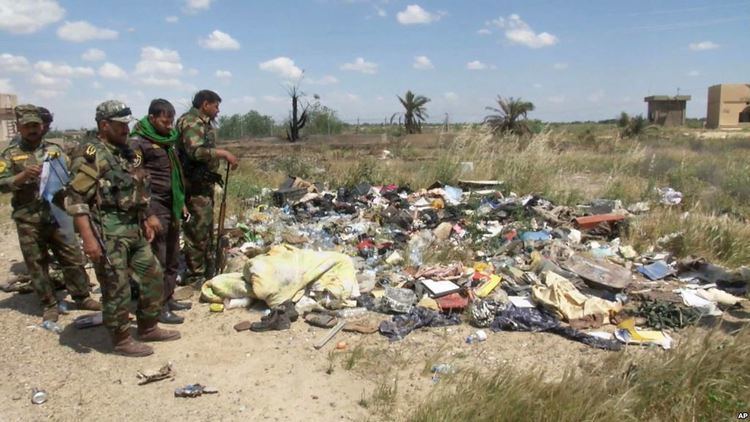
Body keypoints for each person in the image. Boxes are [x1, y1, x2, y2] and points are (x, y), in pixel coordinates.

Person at [65, 100, 180, 357]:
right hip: (107, 232)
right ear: (104, 125)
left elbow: (137, 189)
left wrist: (147, 216)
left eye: (127, 125)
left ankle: (148, 326)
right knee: (116, 286)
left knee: (152, 274)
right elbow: (75, 199)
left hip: (134, 228)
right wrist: (88, 239)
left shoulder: (125, 152)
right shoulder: (92, 154)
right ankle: (120, 339)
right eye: (120, 126)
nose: (126, 130)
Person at [0, 105, 99, 323]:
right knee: (37, 262)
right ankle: (49, 303)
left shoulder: (55, 150)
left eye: (36, 125)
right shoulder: (10, 154)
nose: (32, 130)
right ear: (19, 128)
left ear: (42, 126)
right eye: (27, 127)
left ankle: (82, 296)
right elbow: (2, 184)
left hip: (57, 214)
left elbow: (69, 176)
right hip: (29, 218)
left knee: (71, 257)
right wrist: (23, 176)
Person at [130, 99, 191, 324]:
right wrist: (148, 214)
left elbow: (174, 174)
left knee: (173, 253)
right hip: (154, 205)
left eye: (171, 121)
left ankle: (169, 296)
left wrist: (181, 202)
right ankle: (159, 307)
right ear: (152, 118)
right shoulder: (138, 143)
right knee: (160, 257)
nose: (169, 125)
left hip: (171, 203)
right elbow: (135, 182)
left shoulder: (167, 140)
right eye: (165, 121)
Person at [176, 90, 238, 286]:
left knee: (205, 229)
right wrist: (222, 153)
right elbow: (194, 151)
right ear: (205, 104)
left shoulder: (202, 123)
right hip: (193, 186)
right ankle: (195, 275)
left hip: (202, 184)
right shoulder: (192, 122)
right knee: (196, 230)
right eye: (216, 106)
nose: (218, 111)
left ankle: (205, 269)